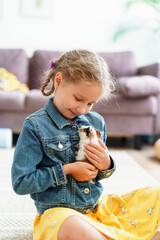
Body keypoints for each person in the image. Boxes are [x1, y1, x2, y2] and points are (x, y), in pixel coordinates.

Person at [11, 49, 160, 240]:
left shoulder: (96, 122)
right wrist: (68, 169)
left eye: (91, 103)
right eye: (78, 99)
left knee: (155, 195)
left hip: (97, 210)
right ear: (59, 81)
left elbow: (98, 174)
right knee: (75, 227)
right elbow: (21, 183)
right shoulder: (35, 126)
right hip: (59, 215)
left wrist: (106, 164)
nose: (82, 109)